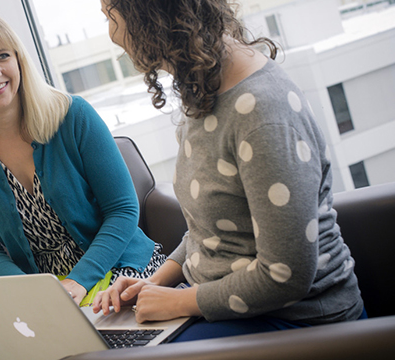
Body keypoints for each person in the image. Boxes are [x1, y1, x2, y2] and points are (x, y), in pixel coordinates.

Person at [94, 0, 365, 341]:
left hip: (302, 323)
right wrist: (154, 284)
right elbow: (210, 232)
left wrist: (181, 300)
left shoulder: (263, 114)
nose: (112, 34)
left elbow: (286, 274)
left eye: (109, 16)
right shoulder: (208, 87)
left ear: (149, 17)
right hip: (227, 304)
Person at [0, 8, 166, 305]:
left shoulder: (74, 115)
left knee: (116, 345)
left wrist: (79, 281)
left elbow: (122, 210)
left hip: (121, 267)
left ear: (19, 59)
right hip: (45, 294)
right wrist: (37, 292)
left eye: (3, 56)